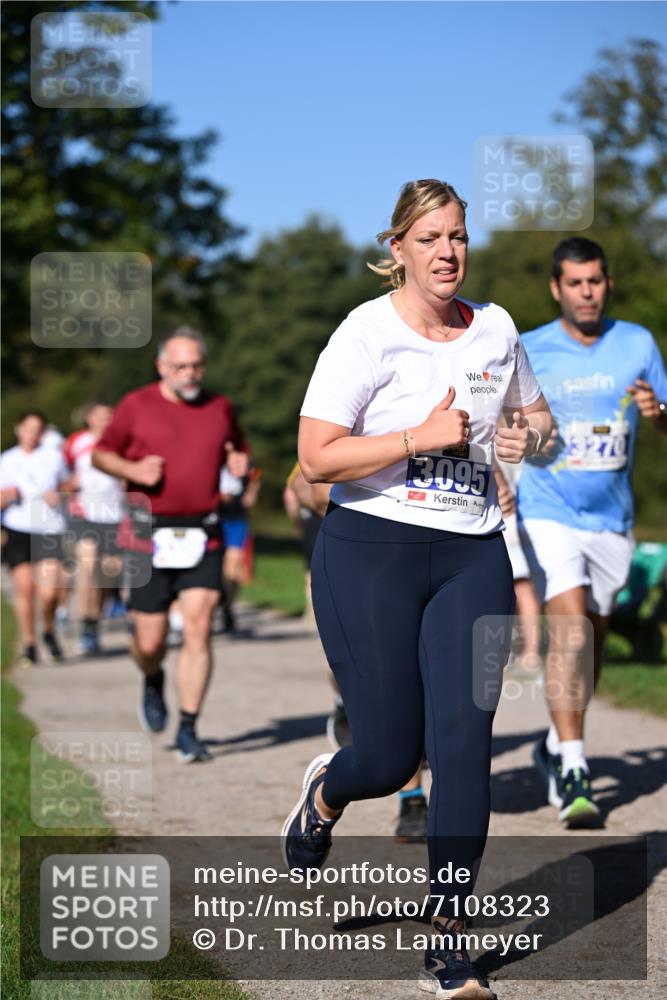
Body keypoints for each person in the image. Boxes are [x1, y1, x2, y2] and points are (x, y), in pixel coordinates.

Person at [281, 179, 552, 999]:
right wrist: (414, 438)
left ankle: (448, 936)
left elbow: (537, 424)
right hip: (371, 551)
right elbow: (316, 458)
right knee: (392, 753)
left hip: (472, 553)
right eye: (429, 237)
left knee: (464, 745)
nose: (447, 252)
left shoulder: (497, 328)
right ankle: (329, 789)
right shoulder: (365, 334)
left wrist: (524, 436)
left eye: (458, 236)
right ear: (396, 248)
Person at [516, 236, 667, 827]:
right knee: (572, 632)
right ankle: (576, 766)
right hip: (547, 509)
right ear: (557, 288)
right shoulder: (530, 348)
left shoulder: (637, 343)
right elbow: (505, 423)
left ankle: (554, 745)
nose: (587, 292)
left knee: (594, 641)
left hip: (612, 521)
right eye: (575, 283)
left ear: (606, 283)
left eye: (596, 281)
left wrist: (659, 415)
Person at [92, 327, 248, 763]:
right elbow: (100, 454)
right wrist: (133, 469)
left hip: (204, 529)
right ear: (161, 366)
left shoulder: (219, 407)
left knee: (198, 625)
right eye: (180, 366)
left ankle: (189, 728)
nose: (190, 373)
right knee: (149, 640)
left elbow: (238, 449)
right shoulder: (136, 405)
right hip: (146, 531)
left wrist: (240, 461)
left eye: (196, 365)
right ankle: (152, 676)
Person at [0, 411, 68, 667]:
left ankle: (48, 630)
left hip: (49, 528)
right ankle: (29, 644)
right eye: (28, 428)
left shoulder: (54, 457)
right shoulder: (6, 460)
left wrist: (60, 493)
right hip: (18, 527)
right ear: (19, 430)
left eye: (37, 429)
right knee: (25, 591)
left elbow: (70, 484)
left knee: (49, 592)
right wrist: (5, 495)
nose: (32, 434)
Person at [64, 401, 124, 655]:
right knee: (88, 569)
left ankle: (95, 619)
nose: (105, 420)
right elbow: (61, 477)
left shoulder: (122, 443)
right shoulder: (76, 443)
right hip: (84, 515)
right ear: (89, 419)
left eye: (109, 416)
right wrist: (69, 485)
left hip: (115, 516)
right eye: (100, 416)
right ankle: (87, 626)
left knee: (108, 574)